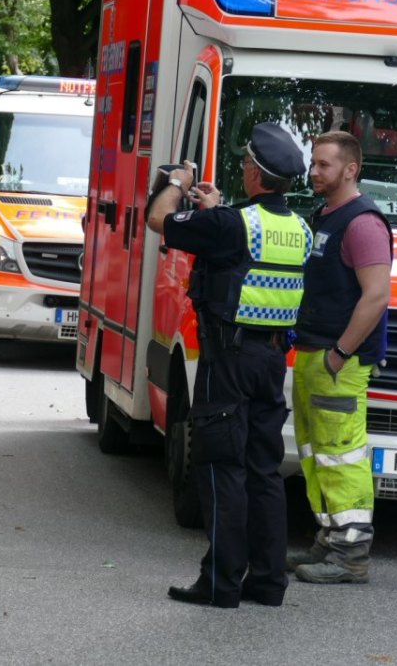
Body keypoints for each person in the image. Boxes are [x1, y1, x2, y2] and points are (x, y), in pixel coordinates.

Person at [147, 122, 312, 609]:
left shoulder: (231, 224)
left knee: (221, 466)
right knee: (264, 470)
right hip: (271, 360)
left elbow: (160, 220)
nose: (241, 168)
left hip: (229, 357)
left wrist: (177, 183)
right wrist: (216, 208)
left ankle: (220, 583)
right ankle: (266, 581)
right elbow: (244, 247)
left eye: (245, 163)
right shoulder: (298, 228)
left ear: (257, 175)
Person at [289, 130, 392, 584]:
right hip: (314, 356)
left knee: (343, 455)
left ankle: (350, 555)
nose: (314, 171)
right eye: (314, 163)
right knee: (318, 455)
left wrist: (338, 354)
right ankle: (330, 541)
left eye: (324, 165)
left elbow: (376, 297)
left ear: (350, 170)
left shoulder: (362, 223)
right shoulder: (327, 215)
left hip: (337, 364)